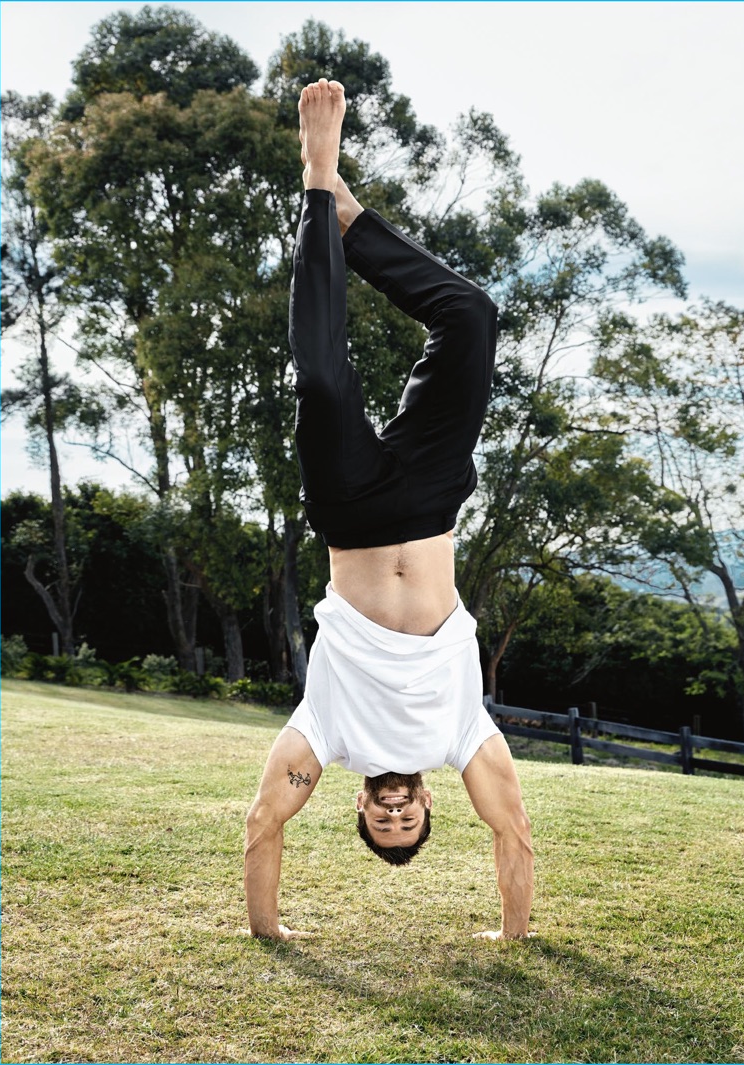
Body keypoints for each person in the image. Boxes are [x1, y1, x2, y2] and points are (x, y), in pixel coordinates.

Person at [244, 78, 534, 941]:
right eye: (410, 821)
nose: (397, 812)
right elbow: (513, 830)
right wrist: (512, 933)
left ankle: (317, 178)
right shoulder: (462, 734)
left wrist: (269, 930)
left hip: (354, 514)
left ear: (361, 810)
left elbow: (262, 825)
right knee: (472, 317)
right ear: (429, 802)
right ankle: (349, 217)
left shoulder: (324, 735)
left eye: (384, 823)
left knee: (324, 374)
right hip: (435, 501)